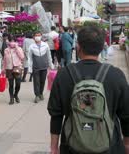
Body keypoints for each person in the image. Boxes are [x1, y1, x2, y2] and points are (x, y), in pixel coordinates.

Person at [48, 25, 129, 154]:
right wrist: (126, 144)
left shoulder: (63, 75)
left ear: (78, 46)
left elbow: (56, 115)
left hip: (71, 147)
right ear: (102, 47)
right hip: (110, 147)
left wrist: (53, 148)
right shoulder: (116, 75)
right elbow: (126, 116)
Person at [28, 32, 53, 103]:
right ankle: (37, 95)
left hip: (44, 66)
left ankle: (41, 93)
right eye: (36, 35)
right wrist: (30, 68)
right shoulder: (31, 46)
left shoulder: (45, 45)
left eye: (39, 35)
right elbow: (30, 58)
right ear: (33, 37)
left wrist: (51, 64)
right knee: (36, 82)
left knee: (42, 81)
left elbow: (49, 56)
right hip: (35, 67)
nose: (37, 37)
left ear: (41, 36)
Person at [2, 35, 25, 105]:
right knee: (11, 84)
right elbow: (5, 60)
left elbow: (22, 57)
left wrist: (16, 48)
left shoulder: (19, 48)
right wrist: (3, 69)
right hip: (9, 68)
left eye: (13, 41)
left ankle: (16, 94)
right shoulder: (6, 50)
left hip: (17, 67)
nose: (12, 42)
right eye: (10, 40)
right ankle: (11, 98)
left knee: (18, 83)